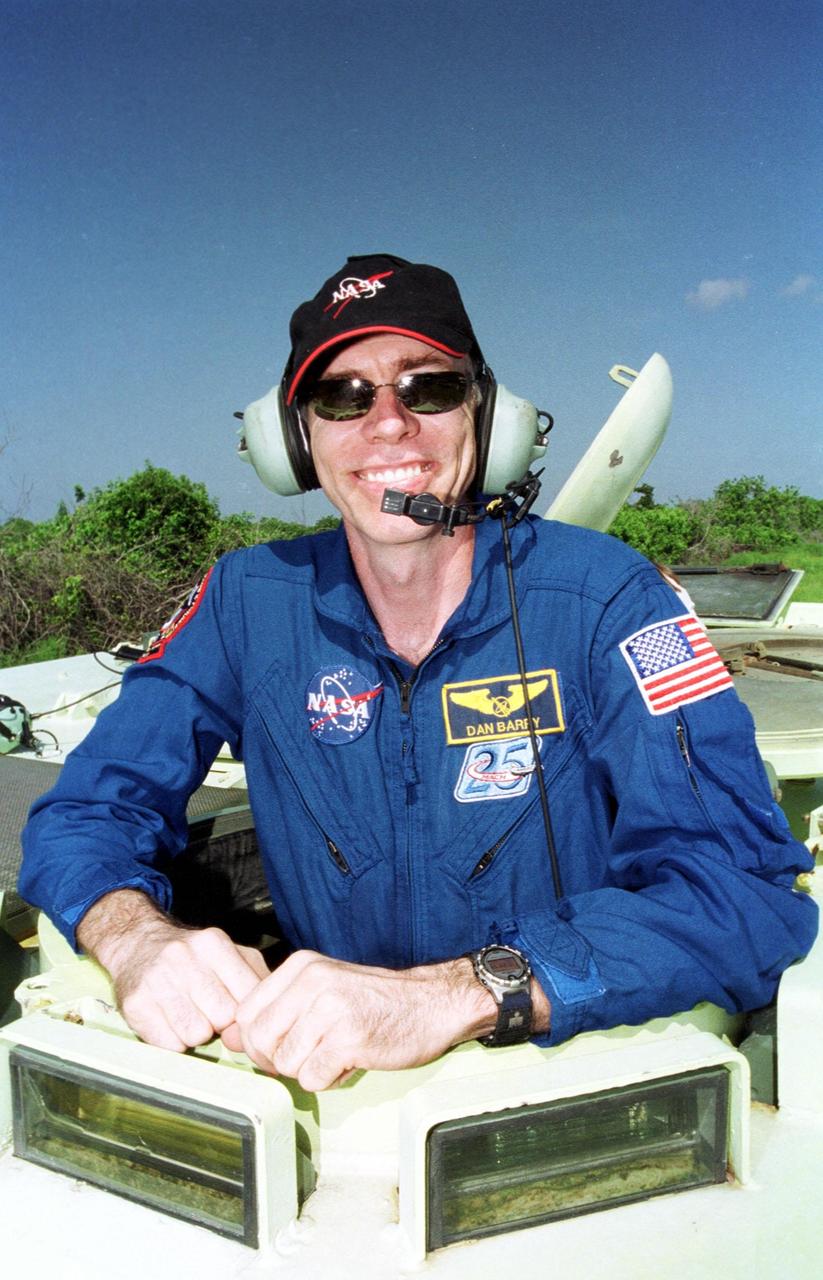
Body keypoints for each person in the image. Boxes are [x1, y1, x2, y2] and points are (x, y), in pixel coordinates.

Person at [20, 253, 817, 1092]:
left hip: (561, 1078)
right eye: (342, 396)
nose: (388, 424)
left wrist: (459, 994)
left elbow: (743, 891)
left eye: (428, 388)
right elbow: (83, 811)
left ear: (490, 415)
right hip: (330, 1086)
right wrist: (137, 937)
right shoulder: (244, 602)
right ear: (293, 439)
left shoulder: (610, 599)